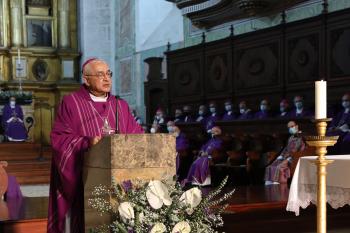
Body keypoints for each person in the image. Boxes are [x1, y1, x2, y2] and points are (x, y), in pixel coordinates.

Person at [48, 58, 143, 233]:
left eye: (109, 74)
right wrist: (87, 142)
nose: (107, 78)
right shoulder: (72, 103)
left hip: (120, 180)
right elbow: (60, 139)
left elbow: (137, 136)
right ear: (86, 79)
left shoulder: (119, 105)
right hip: (86, 179)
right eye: (100, 74)